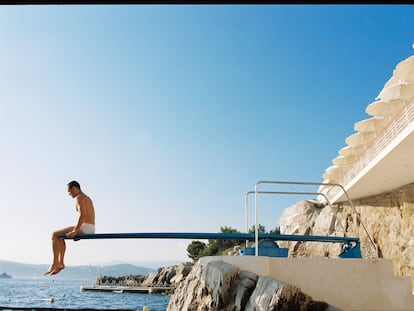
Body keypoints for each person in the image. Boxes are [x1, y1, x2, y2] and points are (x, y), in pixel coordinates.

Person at [44, 181, 95, 276]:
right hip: (90, 227)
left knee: (54, 234)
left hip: (86, 227)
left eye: (70, 191)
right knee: (60, 237)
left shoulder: (79, 198)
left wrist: (76, 230)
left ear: (75, 188)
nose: (69, 194)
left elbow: (83, 215)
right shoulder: (87, 198)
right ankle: (61, 263)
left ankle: (55, 263)